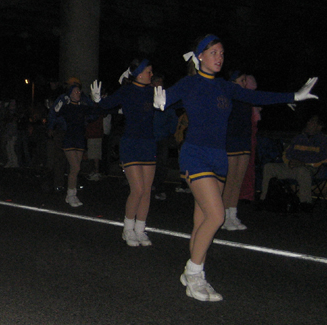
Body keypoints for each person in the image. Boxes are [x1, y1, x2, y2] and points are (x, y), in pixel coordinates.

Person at [154, 34, 318, 302]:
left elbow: (259, 96)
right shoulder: (190, 83)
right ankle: (194, 274)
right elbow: (165, 98)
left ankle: (195, 272)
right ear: (200, 57)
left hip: (219, 157)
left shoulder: (226, 87)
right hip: (195, 155)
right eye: (213, 52)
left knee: (202, 218)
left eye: (221, 53)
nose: (219, 57)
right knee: (217, 216)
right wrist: (160, 101)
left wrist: (294, 95)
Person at [91, 59, 157, 244]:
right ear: (140, 73)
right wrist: (98, 100)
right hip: (131, 144)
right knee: (137, 189)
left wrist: (164, 102)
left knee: (147, 191)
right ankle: (128, 229)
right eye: (149, 72)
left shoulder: (153, 91)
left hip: (148, 144)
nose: (151, 75)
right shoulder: (127, 90)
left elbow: (173, 102)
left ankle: (140, 229)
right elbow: (107, 104)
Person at [260, 114, 327, 210]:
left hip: (312, 169)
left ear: (319, 126)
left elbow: (322, 158)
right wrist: (290, 162)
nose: (308, 123)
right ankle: (264, 199)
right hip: (293, 166)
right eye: (309, 121)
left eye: (312, 122)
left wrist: (303, 163)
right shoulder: (299, 138)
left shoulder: (323, 140)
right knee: (269, 167)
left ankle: (305, 203)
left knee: (302, 171)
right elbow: (287, 153)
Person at [54, 81, 98, 207]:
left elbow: (94, 114)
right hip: (69, 139)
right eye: (75, 91)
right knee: (75, 167)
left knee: (75, 169)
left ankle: (71, 195)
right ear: (70, 95)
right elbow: (57, 113)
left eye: (79, 91)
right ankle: (71, 194)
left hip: (79, 139)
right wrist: (56, 109)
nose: (78, 93)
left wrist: (95, 100)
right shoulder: (67, 107)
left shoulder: (82, 107)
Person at [221, 71, 254, 230]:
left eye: (245, 80)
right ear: (233, 81)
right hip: (231, 140)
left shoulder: (246, 97)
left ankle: (233, 215)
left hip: (244, 141)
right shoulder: (228, 97)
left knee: (238, 181)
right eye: (242, 80)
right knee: (230, 180)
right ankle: (224, 216)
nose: (244, 84)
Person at [151, 73, 178, 202]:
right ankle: (148, 186)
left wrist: (169, 132)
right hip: (148, 138)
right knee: (148, 164)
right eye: (158, 82)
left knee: (162, 163)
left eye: (161, 82)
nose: (160, 85)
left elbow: (173, 117)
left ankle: (159, 188)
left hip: (162, 138)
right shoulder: (148, 98)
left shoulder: (166, 98)